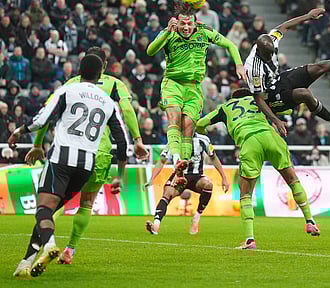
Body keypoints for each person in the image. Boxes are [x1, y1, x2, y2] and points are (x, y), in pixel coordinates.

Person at [25, 47, 149, 265]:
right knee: (86, 204)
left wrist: (37, 144)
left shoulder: (72, 84)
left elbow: (46, 113)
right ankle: (70, 249)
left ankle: (42, 247)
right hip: (98, 155)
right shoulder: (115, 84)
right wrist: (137, 139)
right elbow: (127, 111)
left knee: (53, 204)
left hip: (66, 152)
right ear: (104, 65)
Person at [9, 54, 129, 278]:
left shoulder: (67, 90)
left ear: (78, 71)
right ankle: (25, 263)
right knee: (49, 212)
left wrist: (19, 131)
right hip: (86, 165)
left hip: (61, 159)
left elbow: (41, 120)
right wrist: (120, 176)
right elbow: (122, 142)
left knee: (44, 209)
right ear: (100, 74)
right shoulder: (108, 102)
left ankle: (49, 245)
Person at [196, 88, 320, 250]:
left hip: (249, 141)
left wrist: (202, 132)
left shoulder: (225, 107)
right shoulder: (259, 100)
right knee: (292, 180)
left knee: (246, 194)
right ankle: (309, 220)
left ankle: (250, 240)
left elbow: (200, 124)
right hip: (271, 137)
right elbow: (288, 108)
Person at [146, 4, 246, 184]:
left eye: (189, 24)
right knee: (174, 119)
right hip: (173, 84)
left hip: (194, 88)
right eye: (182, 24)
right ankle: (176, 159)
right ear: (176, 23)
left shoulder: (204, 31)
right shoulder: (169, 32)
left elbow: (230, 44)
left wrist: (239, 64)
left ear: (195, 23)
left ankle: (181, 169)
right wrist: (167, 32)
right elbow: (150, 51)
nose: (186, 27)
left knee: (188, 128)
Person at [245, 8, 330, 137]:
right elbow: (259, 99)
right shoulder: (254, 68)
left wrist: (308, 16)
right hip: (270, 97)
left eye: (272, 54)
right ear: (259, 52)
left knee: (320, 66)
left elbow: (284, 26)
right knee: (304, 93)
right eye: (267, 56)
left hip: (278, 79)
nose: (271, 58)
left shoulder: (271, 40)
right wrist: (276, 121)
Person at [145, 133, 229, 235]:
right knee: (167, 194)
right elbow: (162, 161)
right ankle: (156, 226)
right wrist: (151, 179)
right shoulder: (174, 140)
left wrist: (224, 177)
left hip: (197, 177)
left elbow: (213, 157)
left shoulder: (203, 139)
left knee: (208, 185)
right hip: (179, 176)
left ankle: (196, 218)